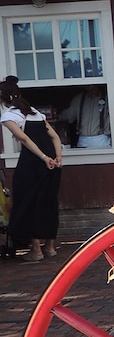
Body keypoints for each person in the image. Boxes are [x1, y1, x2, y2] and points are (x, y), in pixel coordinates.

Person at [0, 79, 62, 261]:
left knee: (27, 202)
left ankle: (36, 250)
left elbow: (24, 139)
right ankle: (50, 247)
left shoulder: (9, 116)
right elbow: (55, 137)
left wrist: (43, 158)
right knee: (48, 201)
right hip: (52, 162)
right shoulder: (36, 113)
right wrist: (57, 157)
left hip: (33, 162)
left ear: (3, 99)